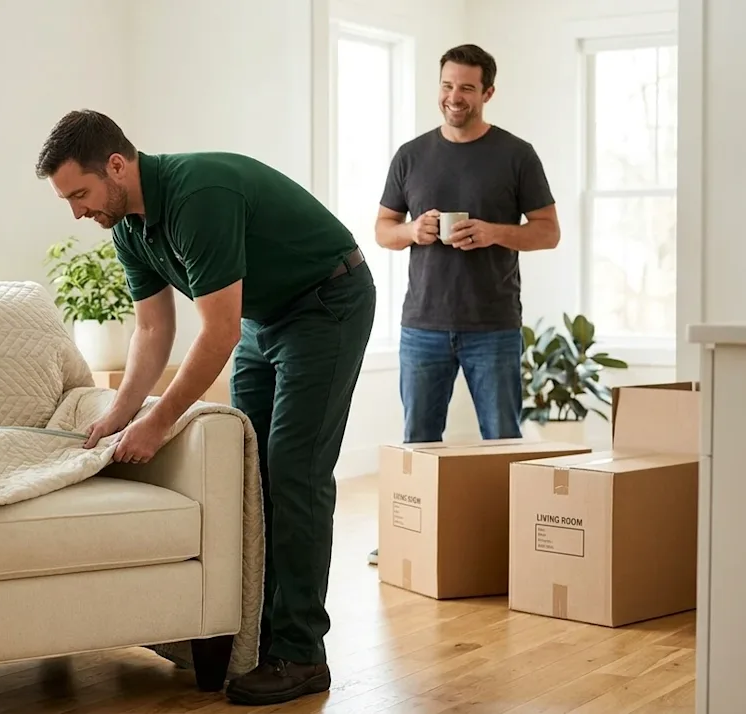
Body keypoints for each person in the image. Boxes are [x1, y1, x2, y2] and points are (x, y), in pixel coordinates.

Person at [36, 110, 376, 706]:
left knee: (294, 471)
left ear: (117, 166)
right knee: (252, 475)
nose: (77, 212)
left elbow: (215, 334)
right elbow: (150, 329)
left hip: (326, 304)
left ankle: (299, 653)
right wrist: (121, 411)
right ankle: (261, 636)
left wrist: (158, 420)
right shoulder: (129, 228)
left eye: (81, 194)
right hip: (263, 319)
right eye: (67, 200)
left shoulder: (200, 197)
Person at [366, 44, 559, 565]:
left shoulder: (516, 154)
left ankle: (515, 546)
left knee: (503, 440)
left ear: (487, 93)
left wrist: (494, 232)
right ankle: (410, 538)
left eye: (467, 88)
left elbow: (548, 232)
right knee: (418, 442)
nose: (455, 97)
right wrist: (413, 229)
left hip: (492, 324)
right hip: (422, 324)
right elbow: (383, 229)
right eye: (448, 85)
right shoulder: (410, 154)